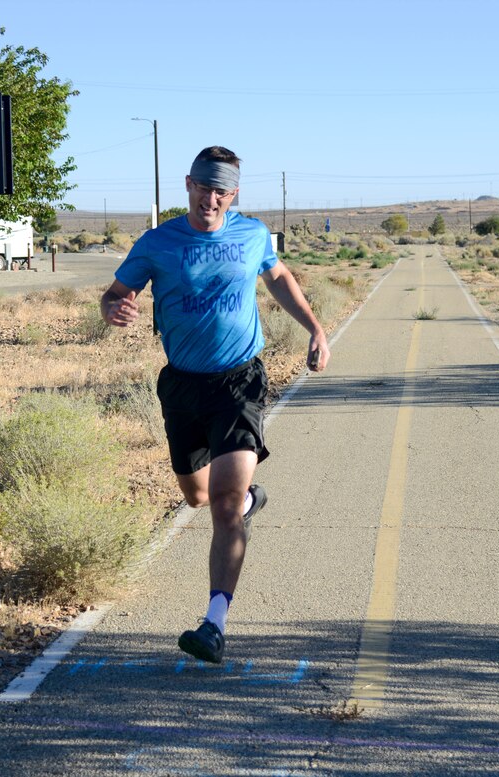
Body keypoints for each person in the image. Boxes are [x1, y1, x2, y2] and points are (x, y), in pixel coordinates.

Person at [101, 146, 329, 663]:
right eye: (203, 188)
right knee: (197, 497)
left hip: (239, 383)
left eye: (221, 191)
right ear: (188, 185)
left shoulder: (250, 235)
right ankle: (249, 501)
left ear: (234, 194)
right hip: (182, 385)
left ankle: (214, 624)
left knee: (223, 506)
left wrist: (315, 330)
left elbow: (279, 278)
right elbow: (114, 293)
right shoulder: (157, 243)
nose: (211, 198)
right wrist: (114, 306)